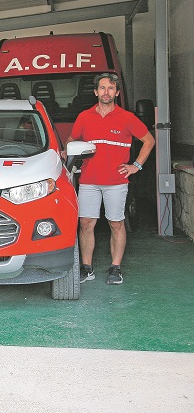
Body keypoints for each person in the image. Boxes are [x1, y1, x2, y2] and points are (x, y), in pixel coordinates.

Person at [66, 73, 154, 285]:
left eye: (111, 88)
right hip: (89, 180)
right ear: (96, 92)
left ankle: (116, 268)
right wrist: (69, 152)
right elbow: (72, 139)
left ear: (117, 92)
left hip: (117, 182)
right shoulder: (84, 116)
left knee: (116, 223)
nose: (107, 92)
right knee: (86, 223)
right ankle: (87, 268)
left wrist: (136, 166)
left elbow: (148, 141)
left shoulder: (127, 118)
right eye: (103, 88)